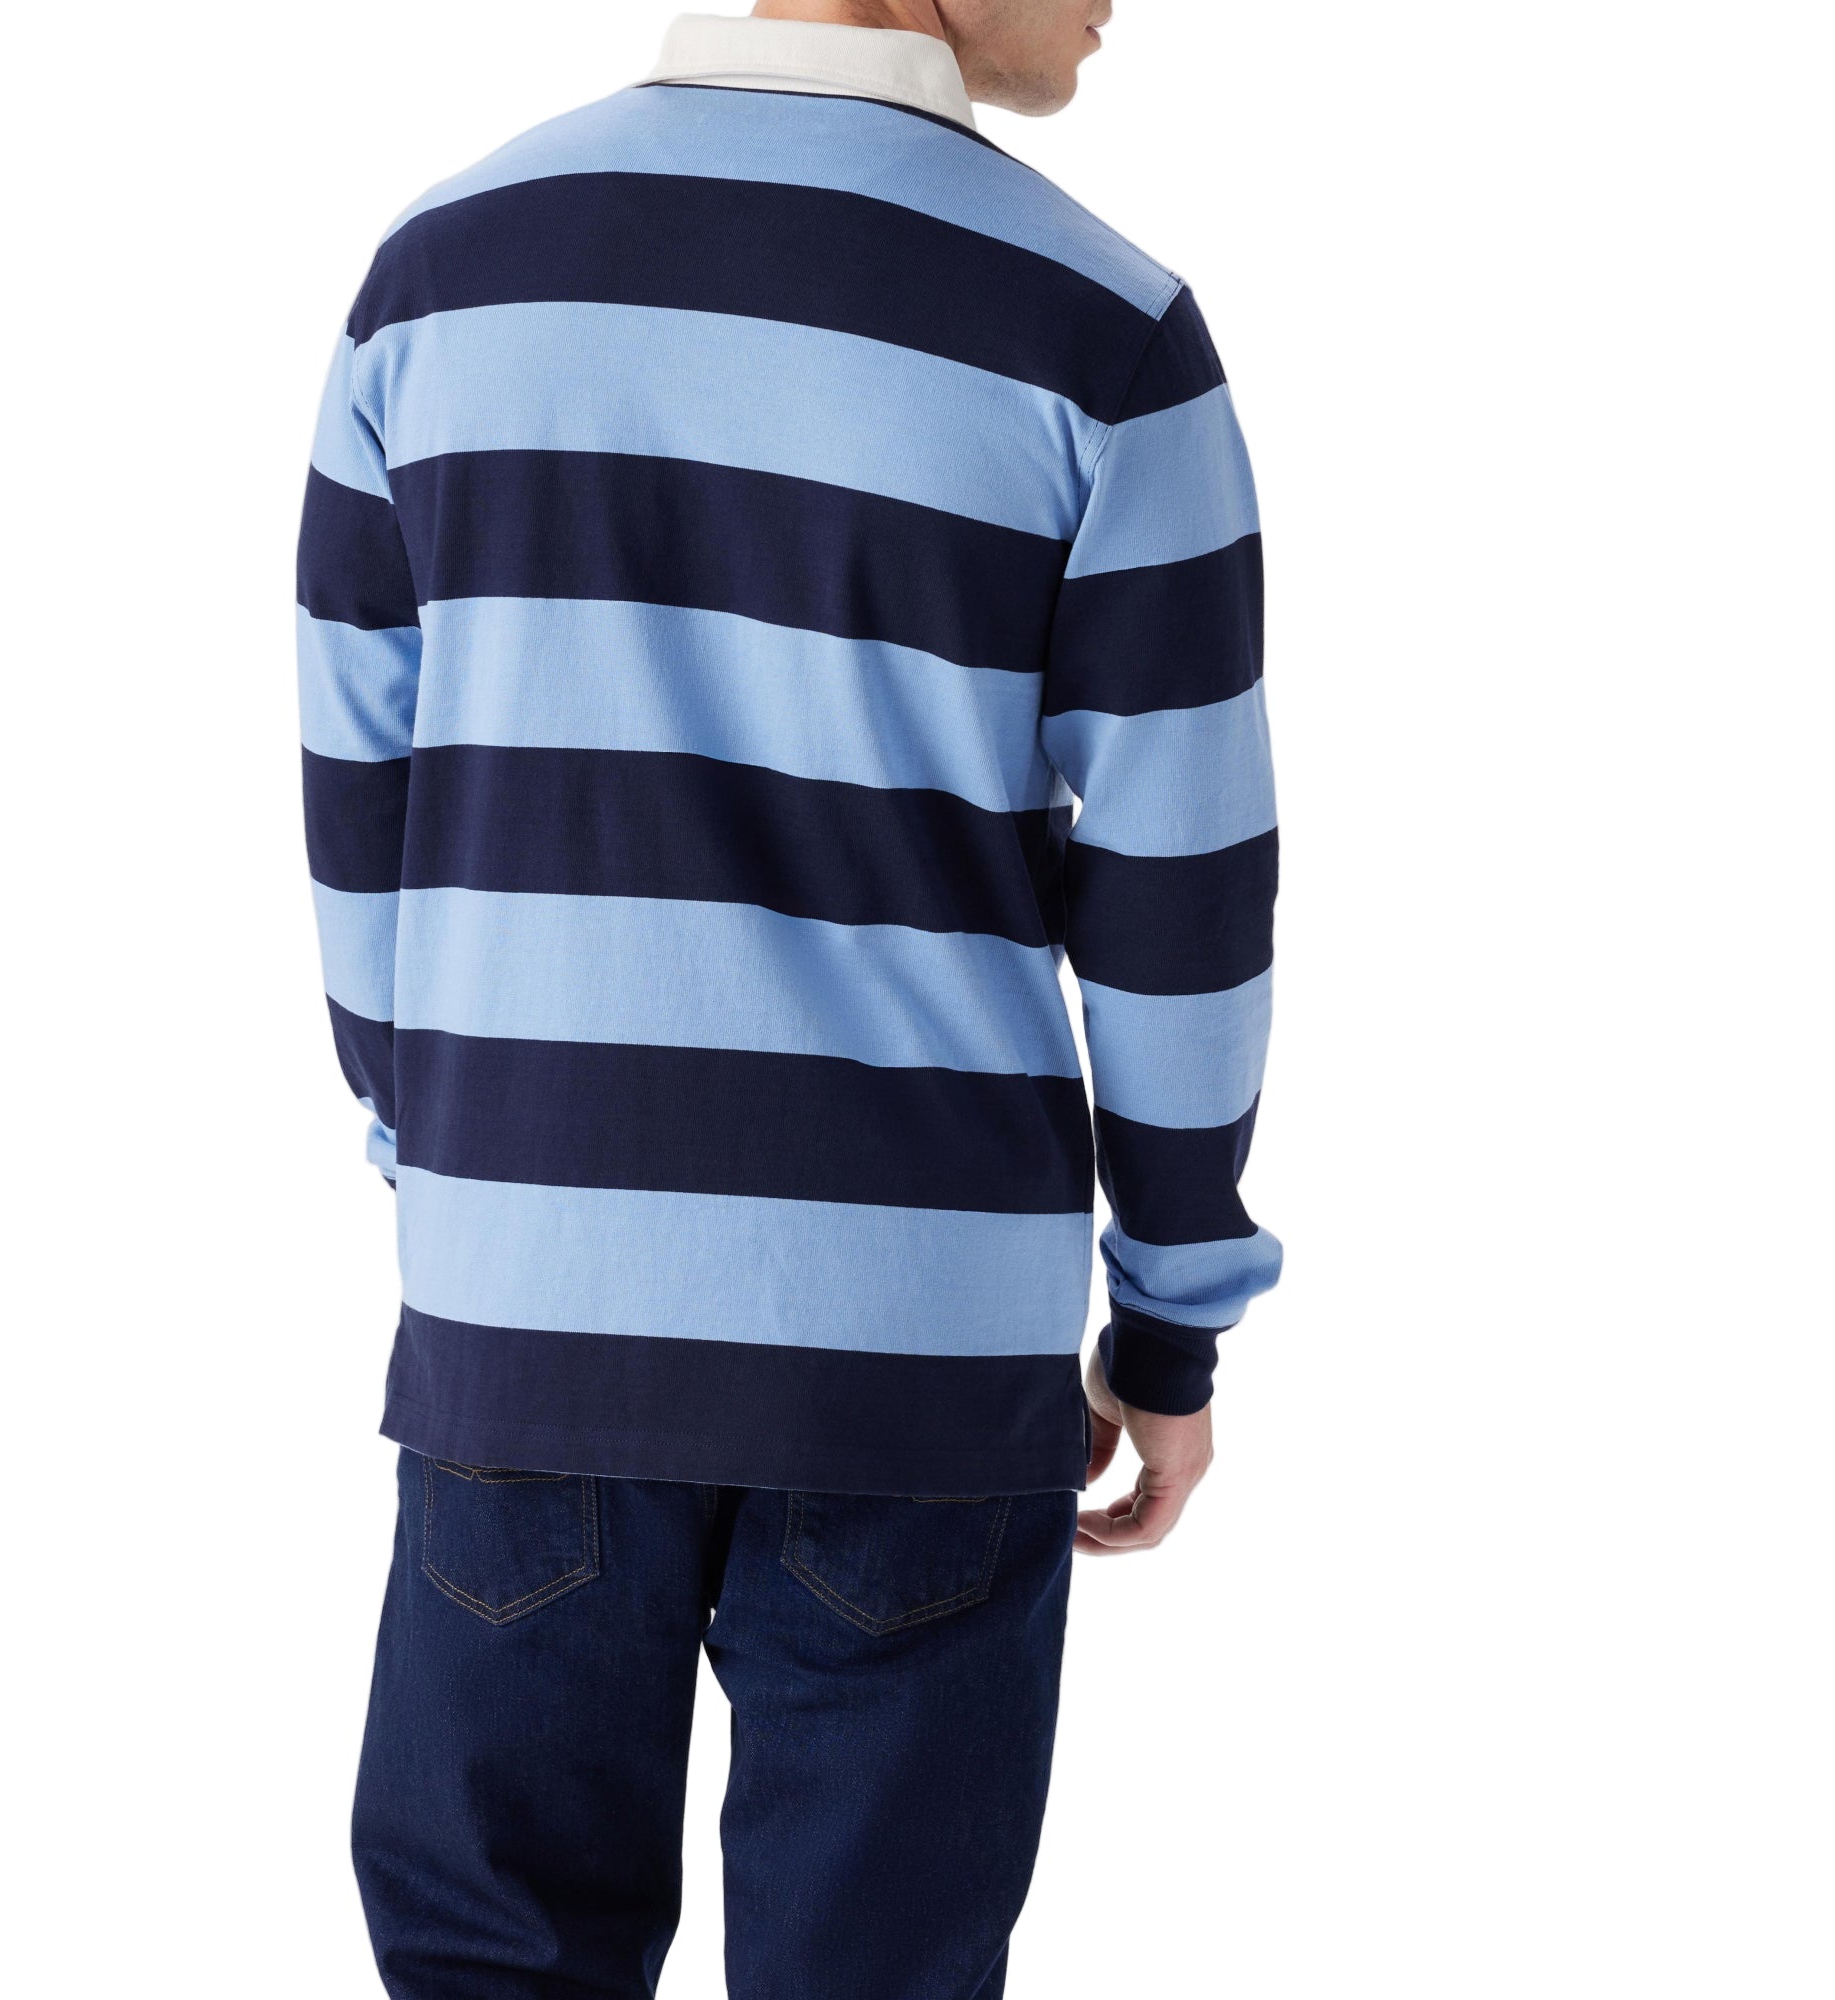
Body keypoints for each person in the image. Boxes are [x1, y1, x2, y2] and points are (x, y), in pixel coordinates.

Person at [296, 5, 1280, 1992]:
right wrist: (1169, 1324)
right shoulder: (1101, 333)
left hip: (529, 1303)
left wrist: (460, 1157)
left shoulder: (446, 276)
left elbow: (362, 789)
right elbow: (1182, 890)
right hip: (916, 1343)